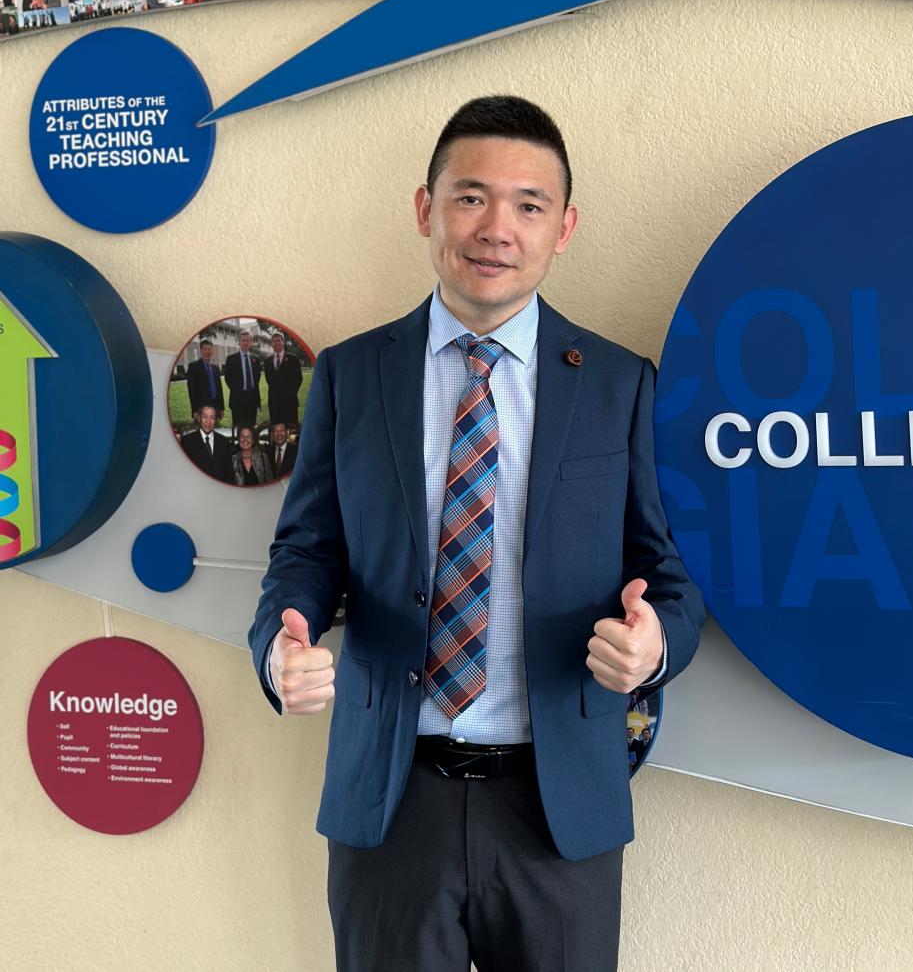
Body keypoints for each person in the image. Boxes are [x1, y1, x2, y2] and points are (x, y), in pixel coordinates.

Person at [250, 95, 704, 972]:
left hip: (556, 807)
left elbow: (670, 576)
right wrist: (280, 642)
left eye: (529, 205)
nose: (497, 227)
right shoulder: (351, 375)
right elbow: (305, 552)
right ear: (427, 208)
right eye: (471, 197)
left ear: (563, 228)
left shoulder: (618, 384)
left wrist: (652, 646)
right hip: (391, 800)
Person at [181, 405, 234, 483]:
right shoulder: (187, 442)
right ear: (199, 418)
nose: (208, 421)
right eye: (205, 417)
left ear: (216, 420)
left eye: (212, 417)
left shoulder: (224, 442)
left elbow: (230, 474)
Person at [223, 328, 262, 430]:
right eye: (243, 340)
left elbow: (257, 378)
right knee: (238, 429)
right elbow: (227, 378)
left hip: (252, 398)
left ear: (251, 342)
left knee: (251, 428)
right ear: (239, 342)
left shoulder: (256, 359)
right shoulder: (231, 359)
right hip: (238, 400)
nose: (245, 343)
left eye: (247, 340)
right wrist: (237, 390)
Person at [264, 331, 304, 425]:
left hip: (290, 401)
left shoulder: (293, 359)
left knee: (291, 428)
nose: (276, 343)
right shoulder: (267, 361)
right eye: (274, 341)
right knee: (276, 428)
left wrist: (289, 393)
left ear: (283, 342)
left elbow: (298, 378)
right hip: (274, 402)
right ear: (271, 343)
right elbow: (269, 380)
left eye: (279, 340)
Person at [186, 338, 225, 418]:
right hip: (201, 408)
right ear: (201, 350)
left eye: (209, 349)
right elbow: (192, 391)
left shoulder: (215, 367)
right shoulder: (193, 367)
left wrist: (222, 408)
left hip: (215, 407)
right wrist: (195, 410)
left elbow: (219, 389)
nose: (207, 351)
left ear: (212, 350)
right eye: (204, 349)